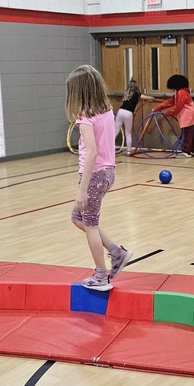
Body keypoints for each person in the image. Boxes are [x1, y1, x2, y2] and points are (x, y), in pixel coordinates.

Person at [66, 65, 133, 291]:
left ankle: (101, 276)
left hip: (94, 176)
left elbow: (92, 153)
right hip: (107, 173)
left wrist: (82, 189)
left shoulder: (85, 117)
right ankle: (116, 251)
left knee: (90, 225)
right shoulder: (106, 112)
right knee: (78, 218)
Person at [154, 73, 194, 157]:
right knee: (191, 133)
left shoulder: (181, 93)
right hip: (191, 115)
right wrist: (158, 108)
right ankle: (192, 150)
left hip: (188, 115)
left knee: (187, 134)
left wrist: (167, 113)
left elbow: (177, 108)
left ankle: (186, 151)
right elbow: (170, 102)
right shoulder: (182, 92)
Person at [115, 78, 152, 156]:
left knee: (115, 131)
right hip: (128, 113)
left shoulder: (127, 93)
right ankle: (128, 151)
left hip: (121, 111)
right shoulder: (137, 93)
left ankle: (108, 149)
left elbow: (128, 104)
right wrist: (152, 98)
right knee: (128, 133)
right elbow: (145, 97)